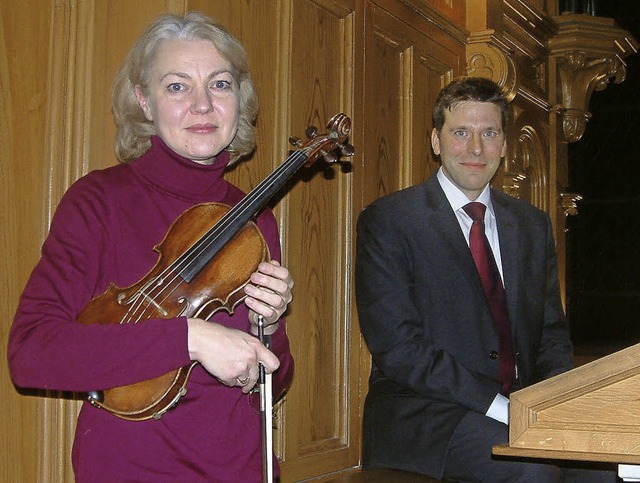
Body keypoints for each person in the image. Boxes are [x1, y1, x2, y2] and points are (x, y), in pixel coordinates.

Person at [8, 11, 294, 482]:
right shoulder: (98, 201)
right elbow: (32, 352)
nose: (203, 105)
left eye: (220, 85)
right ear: (144, 101)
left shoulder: (254, 216)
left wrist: (271, 326)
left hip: (242, 468)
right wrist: (190, 338)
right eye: (177, 86)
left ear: (238, 101)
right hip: (133, 468)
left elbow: (274, 381)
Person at [355, 77, 615, 481]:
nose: (476, 148)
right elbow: (400, 348)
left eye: (489, 133)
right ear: (436, 142)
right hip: (424, 417)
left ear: (504, 146)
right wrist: (503, 409)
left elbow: (550, 335)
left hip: (517, 406)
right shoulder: (390, 220)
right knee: (533, 471)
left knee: (602, 468)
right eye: (461, 133)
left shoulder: (531, 225)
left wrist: (553, 405)